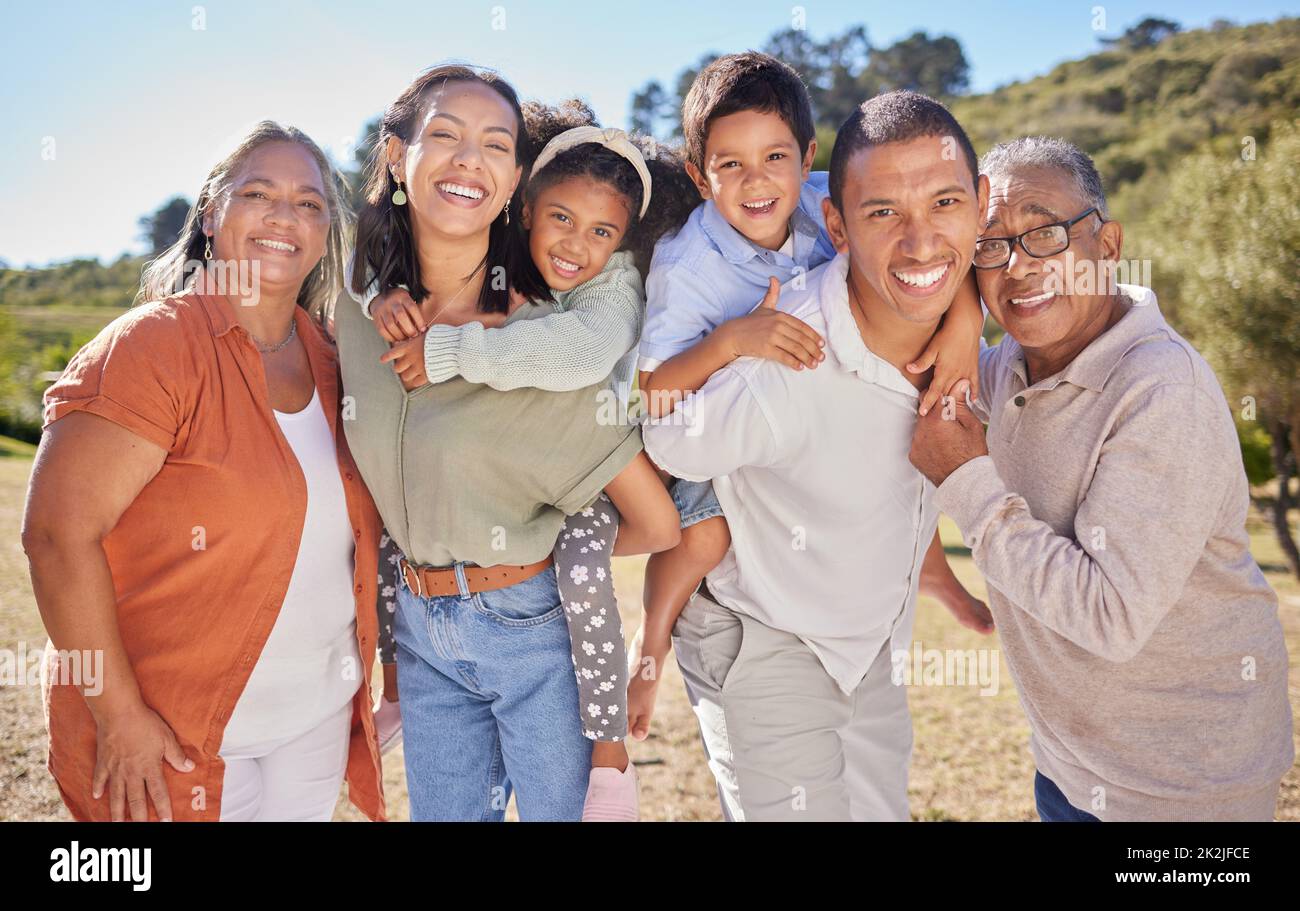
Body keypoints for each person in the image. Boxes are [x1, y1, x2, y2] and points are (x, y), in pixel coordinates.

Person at [910, 136, 1295, 821]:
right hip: (1065, 768)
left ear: (1108, 245)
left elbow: (1110, 616)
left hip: (1184, 794)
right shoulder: (996, 371)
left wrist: (966, 479)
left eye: (1045, 232)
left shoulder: (1161, 388)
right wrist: (965, 313)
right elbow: (847, 205)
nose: (1019, 266)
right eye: (990, 245)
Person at [643, 91, 992, 820]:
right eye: (883, 213)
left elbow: (949, 263)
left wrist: (968, 313)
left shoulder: (970, 339)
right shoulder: (779, 351)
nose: (921, 240)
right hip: (765, 629)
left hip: (868, 638)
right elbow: (665, 429)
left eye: (946, 203)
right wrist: (728, 344)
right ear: (837, 224)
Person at [23, 122, 385, 822]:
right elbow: (56, 537)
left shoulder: (337, 358)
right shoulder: (153, 345)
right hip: (174, 731)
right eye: (259, 193)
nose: (286, 216)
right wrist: (119, 714)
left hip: (310, 724)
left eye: (310, 204)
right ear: (212, 212)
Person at [363, 98, 696, 820]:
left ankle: (609, 757)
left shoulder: (612, 285)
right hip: (436, 614)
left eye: (604, 231)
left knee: (579, 565)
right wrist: (387, 292)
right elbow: (390, 257)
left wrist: (445, 353)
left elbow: (575, 356)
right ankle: (391, 692)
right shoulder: (504, 265)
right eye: (563, 219)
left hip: (600, 478)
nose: (579, 243)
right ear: (526, 208)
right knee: (395, 529)